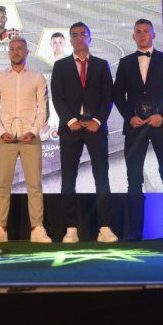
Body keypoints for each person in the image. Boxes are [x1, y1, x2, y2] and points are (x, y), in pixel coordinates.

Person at [113, 19, 163, 242]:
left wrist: (161, 114)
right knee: (134, 178)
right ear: (133, 36)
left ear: (153, 35)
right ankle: (135, 231)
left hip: (161, 125)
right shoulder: (125, 63)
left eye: (146, 31)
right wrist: (129, 117)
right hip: (135, 128)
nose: (142, 35)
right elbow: (117, 95)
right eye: (138, 32)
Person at [50, 22, 116, 243]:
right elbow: (57, 97)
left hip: (96, 128)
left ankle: (105, 227)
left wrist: (97, 120)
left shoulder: (101, 65)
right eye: (75, 35)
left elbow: (108, 97)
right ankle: (71, 229)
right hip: (71, 129)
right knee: (68, 179)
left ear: (89, 38)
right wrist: (70, 121)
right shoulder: (60, 66)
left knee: (102, 177)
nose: (79, 38)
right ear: (70, 40)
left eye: (83, 34)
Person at [0, 36, 51, 243]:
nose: (15, 51)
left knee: (34, 185)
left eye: (19, 48)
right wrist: (0, 131)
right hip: (5, 138)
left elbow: (43, 110)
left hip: (30, 138)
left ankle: (37, 228)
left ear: (27, 52)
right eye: (12, 48)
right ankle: (0, 228)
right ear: (8, 52)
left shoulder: (37, 77)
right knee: (2, 185)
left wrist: (33, 131)